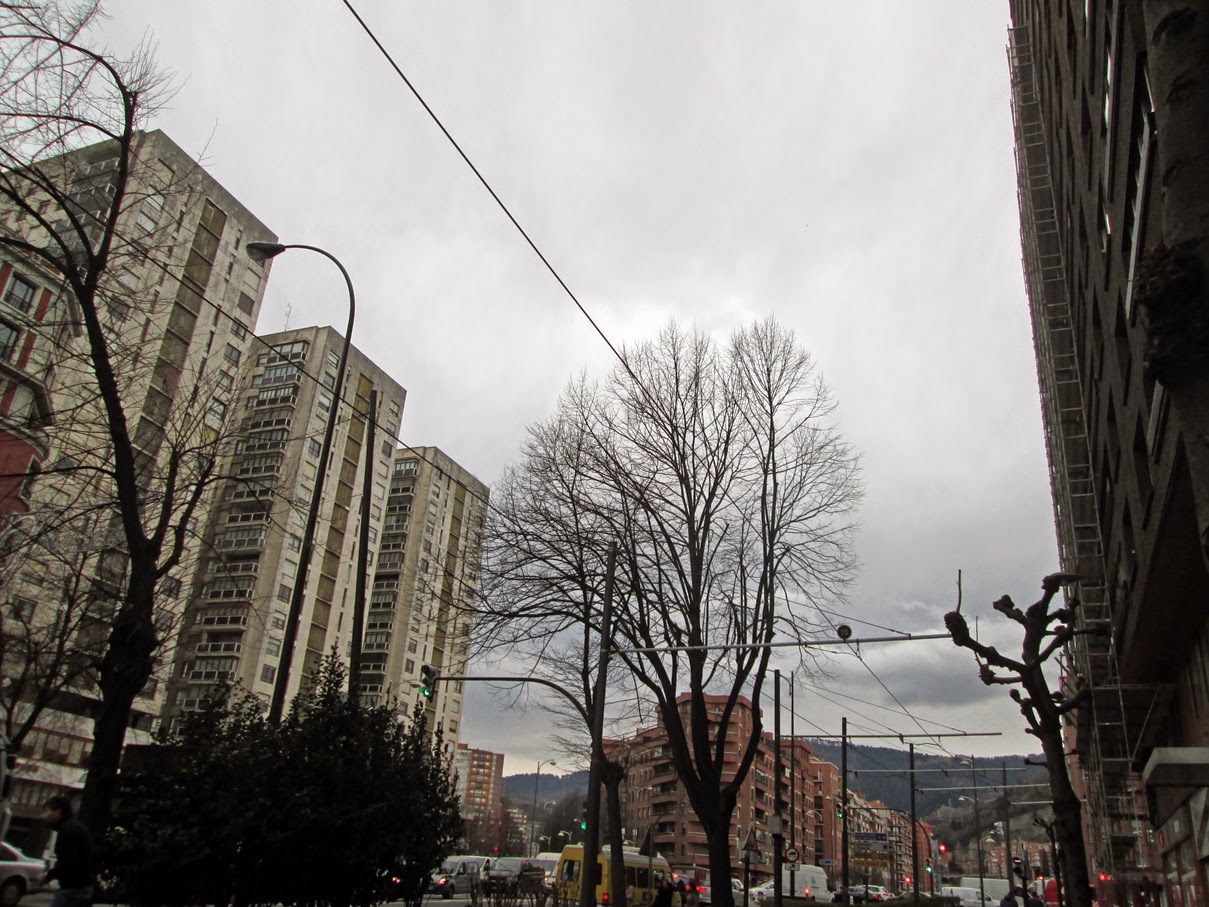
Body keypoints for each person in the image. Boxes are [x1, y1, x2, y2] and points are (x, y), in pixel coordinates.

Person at [40, 795, 94, 907]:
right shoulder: (74, 827)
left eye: (46, 811)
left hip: (73, 890)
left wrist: (47, 877)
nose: (42, 816)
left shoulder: (67, 831)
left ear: (58, 812)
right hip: (83, 887)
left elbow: (69, 862)